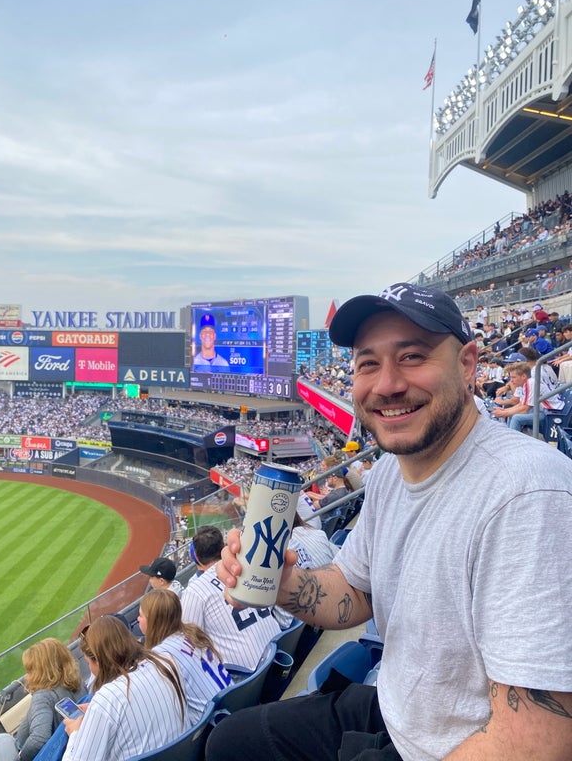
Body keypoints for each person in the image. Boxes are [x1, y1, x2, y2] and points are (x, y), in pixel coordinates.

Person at [208, 281, 572, 761]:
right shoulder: (388, 474)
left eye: (412, 356)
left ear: (467, 364)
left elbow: (534, 745)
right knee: (231, 743)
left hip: (450, 746)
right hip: (396, 712)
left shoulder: (527, 494)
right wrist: (280, 584)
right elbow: (356, 592)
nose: (387, 384)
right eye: (368, 363)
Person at [62, 615, 188, 761]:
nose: (90, 668)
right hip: (184, 755)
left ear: (99, 661)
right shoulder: (166, 662)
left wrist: (75, 733)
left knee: (61, 737)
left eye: (89, 663)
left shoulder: (106, 699)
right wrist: (96, 711)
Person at [180, 525, 282, 671]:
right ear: (223, 548)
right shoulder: (246, 568)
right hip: (281, 649)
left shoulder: (195, 591)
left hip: (248, 674)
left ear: (196, 557)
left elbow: (188, 644)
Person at [138, 589, 232, 725]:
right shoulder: (191, 632)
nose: (138, 619)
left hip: (213, 724)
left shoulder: (161, 655)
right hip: (234, 702)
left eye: (141, 615)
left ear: (153, 621)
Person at [17, 639, 86, 761]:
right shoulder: (79, 683)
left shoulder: (43, 697)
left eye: (30, 671)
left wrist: (21, 758)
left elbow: (38, 740)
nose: (26, 677)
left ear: (41, 672)